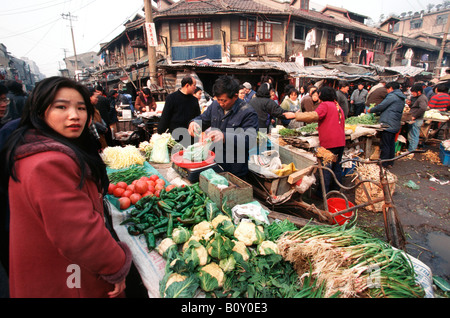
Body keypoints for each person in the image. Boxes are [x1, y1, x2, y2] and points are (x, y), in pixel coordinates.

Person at [1, 76, 132, 298]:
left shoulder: (34, 148)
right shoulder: (49, 163)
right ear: (40, 110)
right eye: (61, 107)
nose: (75, 115)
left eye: (81, 108)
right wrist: (116, 266)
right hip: (69, 278)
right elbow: (80, 235)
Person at [188, 75, 258, 178]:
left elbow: (250, 140)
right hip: (213, 163)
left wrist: (225, 137)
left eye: (224, 100)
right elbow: (204, 118)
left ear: (235, 96)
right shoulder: (215, 105)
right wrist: (195, 122)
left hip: (234, 169)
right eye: (218, 99)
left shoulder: (248, 112)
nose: (221, 103)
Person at [294, 86, 346, 195]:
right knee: (337, 166)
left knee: (325, 168)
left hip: (330, 143)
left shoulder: (325, 105)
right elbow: (335, 122)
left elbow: (314, 115)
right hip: (340, 141)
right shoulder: (337, 106)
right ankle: (335, 190)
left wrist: (295, 115)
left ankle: (322, 193)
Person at [367, 82, 406, 168]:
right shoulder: (401, 97)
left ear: (391, 88)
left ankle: (383, 164)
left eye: (387, 89)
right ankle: (390, 163)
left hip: (388, 124)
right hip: (395, 123)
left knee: (385, 144)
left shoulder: (392, 96)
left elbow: (382, 106)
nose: (387, 91)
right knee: (391, 144)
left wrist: (371, 110)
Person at [406, 83, 428, 154]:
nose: (412, 94)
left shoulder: (422, 98)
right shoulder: (418, 97)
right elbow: (416, 106)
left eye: (413, 92)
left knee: (414, 135)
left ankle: (411, 150)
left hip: (417, 119)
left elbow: (423, 108)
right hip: (414, 118)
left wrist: (415, 116)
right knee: (411, 134)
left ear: (419, 92)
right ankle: (410, 149)